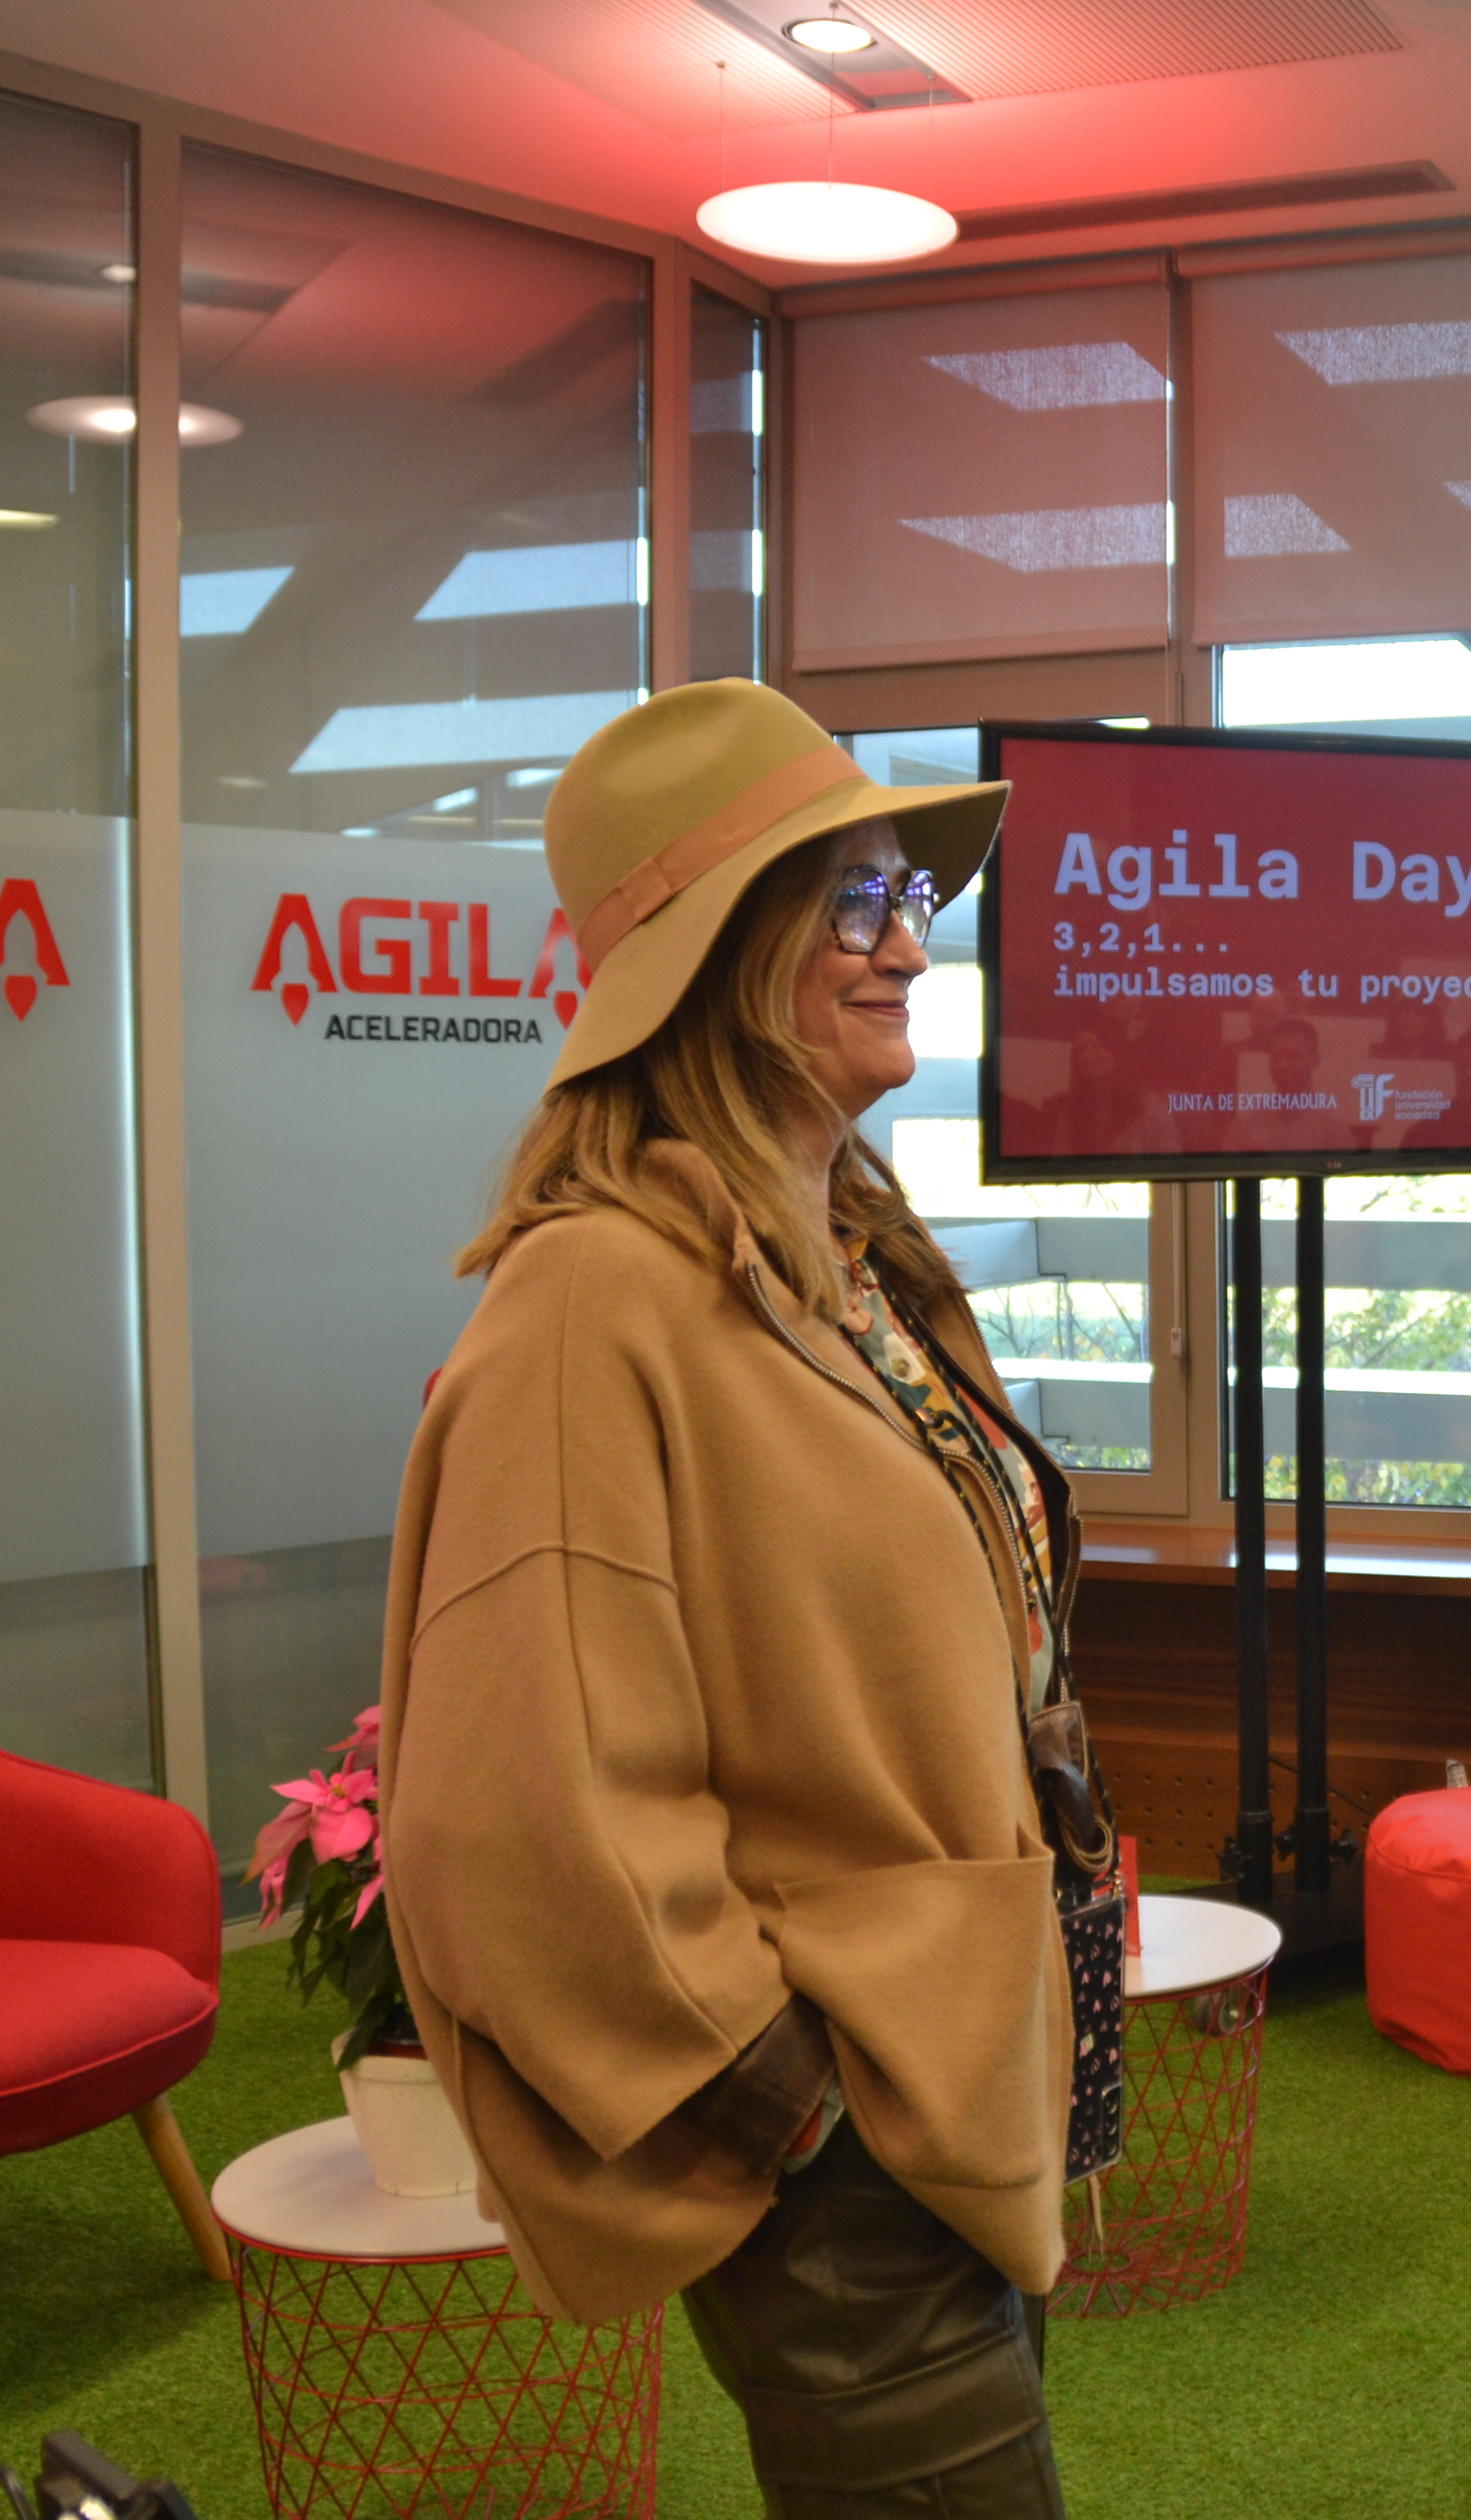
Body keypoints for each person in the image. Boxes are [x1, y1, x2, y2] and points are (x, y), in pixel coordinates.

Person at [379, 679, 1083, 2518]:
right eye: (851, 902)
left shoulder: (842, 1250)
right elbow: (510, 1813)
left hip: (948, 2085)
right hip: (849, 2138)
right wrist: (794, 2110)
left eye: (908, 901)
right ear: (716, 949)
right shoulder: (591, 1303)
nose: (907, 949)